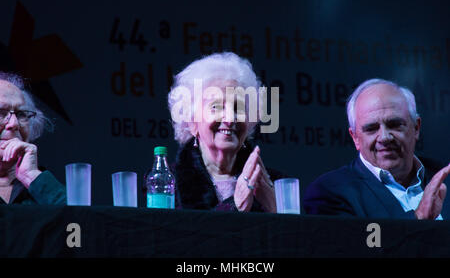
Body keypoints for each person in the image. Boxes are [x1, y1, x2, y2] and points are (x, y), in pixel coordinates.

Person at [303, 78, 449, 219]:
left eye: (394, 124)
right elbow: (362, 244)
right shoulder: (330, 192)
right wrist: (418, 217)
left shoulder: (445, 177)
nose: (384, 137)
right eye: (371, 128)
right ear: (355, 138)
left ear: (416, 128)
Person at [168, 52, 283, 212]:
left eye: (238, 108)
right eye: (216, 107)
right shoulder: (166, 183)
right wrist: (234, 206)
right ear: (192, 121)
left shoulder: (277, 185)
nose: (229, 118)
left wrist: (276, 209)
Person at [0, 72, 66, 205]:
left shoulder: (40, 184)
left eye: (21, 114)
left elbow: (79, 224)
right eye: (0, 113)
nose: (14, 123)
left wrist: (30, 176)